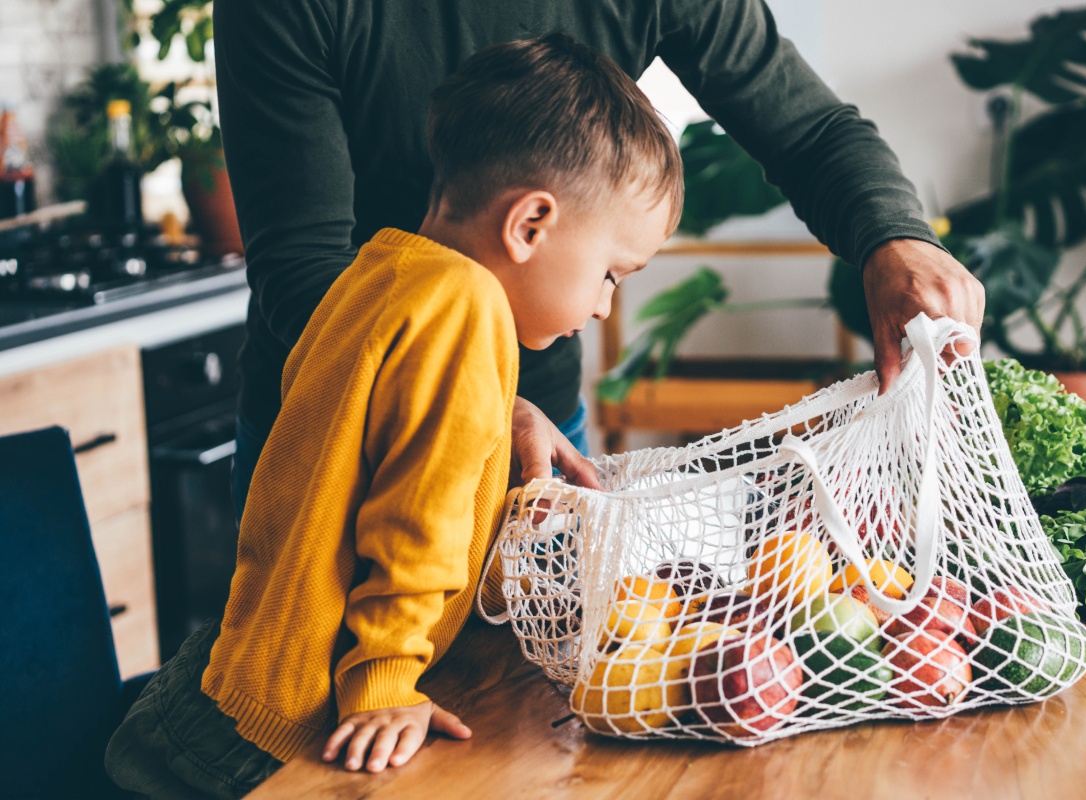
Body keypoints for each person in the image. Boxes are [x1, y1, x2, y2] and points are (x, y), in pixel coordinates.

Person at [105, 34, 684, 797]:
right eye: (610, 273)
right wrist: (384, 682)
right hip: (284, 726)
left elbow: (377, 480)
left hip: (232, 673)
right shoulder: (468, 314)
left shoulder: (382, 269)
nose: (605, 304)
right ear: (530, 225)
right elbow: (413, 524)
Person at [214, 0, 985, 521]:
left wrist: (898, 239)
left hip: (538, 424)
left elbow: (810, 131)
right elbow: (304, 266)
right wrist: (465, 399)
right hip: (334, 429)